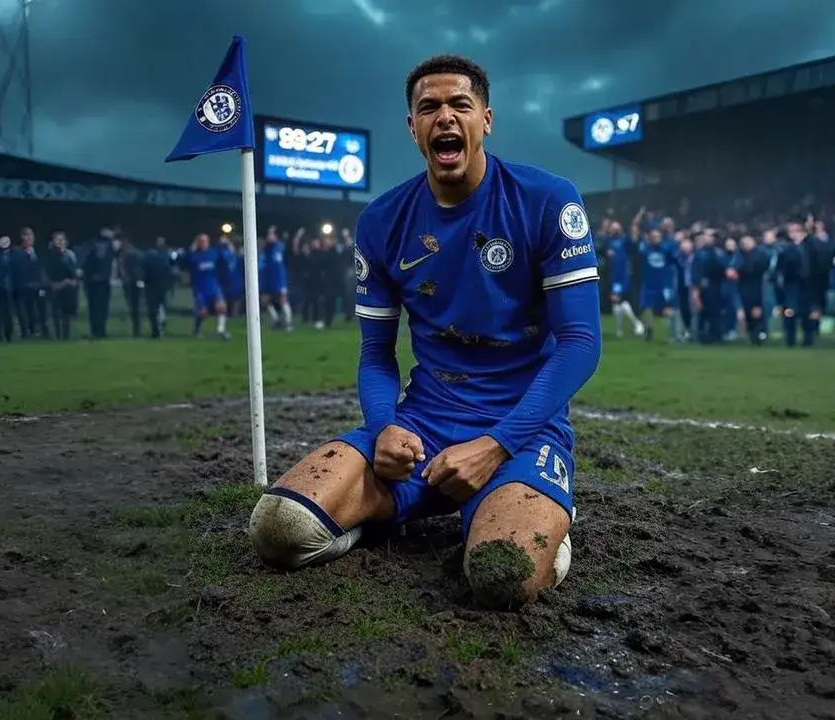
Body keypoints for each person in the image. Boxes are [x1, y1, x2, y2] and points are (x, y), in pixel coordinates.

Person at [247, 55, 602, 610]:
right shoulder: (382, 221)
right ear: (412, 127)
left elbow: (581, 344)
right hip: (423, 425)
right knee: (280, 527)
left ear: (486, 119)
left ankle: (536, 512)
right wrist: (385, 427)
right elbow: (375, 353)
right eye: (428, 107)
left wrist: (495, 445)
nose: (445, 117)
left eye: (460, 104)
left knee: (500, 576)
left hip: (520, 431)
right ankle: (385, 511)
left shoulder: (548, 200)